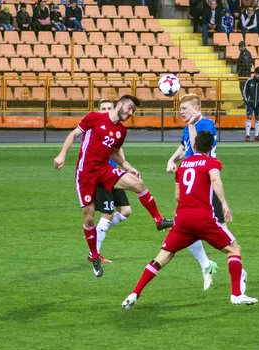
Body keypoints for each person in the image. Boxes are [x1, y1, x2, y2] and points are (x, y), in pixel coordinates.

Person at [122, 130, 259, 309]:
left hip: (182, 220)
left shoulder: (184, 164)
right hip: (203, 218)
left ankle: (135, 292)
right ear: (211, 147)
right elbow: (215, 178)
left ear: (194, 146)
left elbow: (178, 196)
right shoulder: (212, 162)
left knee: (162, 257)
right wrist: (224, 203)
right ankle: (236, 295)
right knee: (234, 250)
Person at [53, 95, 174, 278]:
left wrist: (128, 166)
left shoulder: (121, 131)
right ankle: (94, 255)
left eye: (133, 110)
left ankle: (158, 220)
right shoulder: (94, 117)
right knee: (89, 218)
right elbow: (73, 134)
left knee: (138, 184)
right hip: (86, 173)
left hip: (104, 170)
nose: (130, 112)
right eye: (129, 107)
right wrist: (62, 155)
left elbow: (114, 152)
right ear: (120, 104)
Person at [166, 94, 221, 291]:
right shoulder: (187, 126)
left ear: (197, 109)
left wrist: (190, 125)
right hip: (191, 183)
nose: (181, 112)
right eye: (181, 109)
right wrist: (172, 159)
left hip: (205, 184)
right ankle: (207, 265)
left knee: (219, 228)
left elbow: (196, 148)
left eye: (185, 109)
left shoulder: (207, 125)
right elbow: (185, 146)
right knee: (186, 226)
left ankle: (238, 270)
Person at [91, 99, 133, 264]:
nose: (106, 110)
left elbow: (117, 150)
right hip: (100, 176)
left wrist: (125, 166)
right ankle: (95, 252)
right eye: (103, 108)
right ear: (99, 111)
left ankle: (95, 232)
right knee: (107, 214)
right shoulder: (96, 129)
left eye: (109, 107)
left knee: (126, 211)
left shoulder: (116, 129)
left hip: (114, 175)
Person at [243, 66, 259, 141]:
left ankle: (257, 135)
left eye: (258, 74)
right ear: (254, 73)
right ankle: (247, 135)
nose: (257, 75)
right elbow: (244, 91)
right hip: (250, 103)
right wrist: (247, 100)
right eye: (256, 73)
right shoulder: (249, 81)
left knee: (258, 118)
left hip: (258, 103)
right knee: (249, 116)